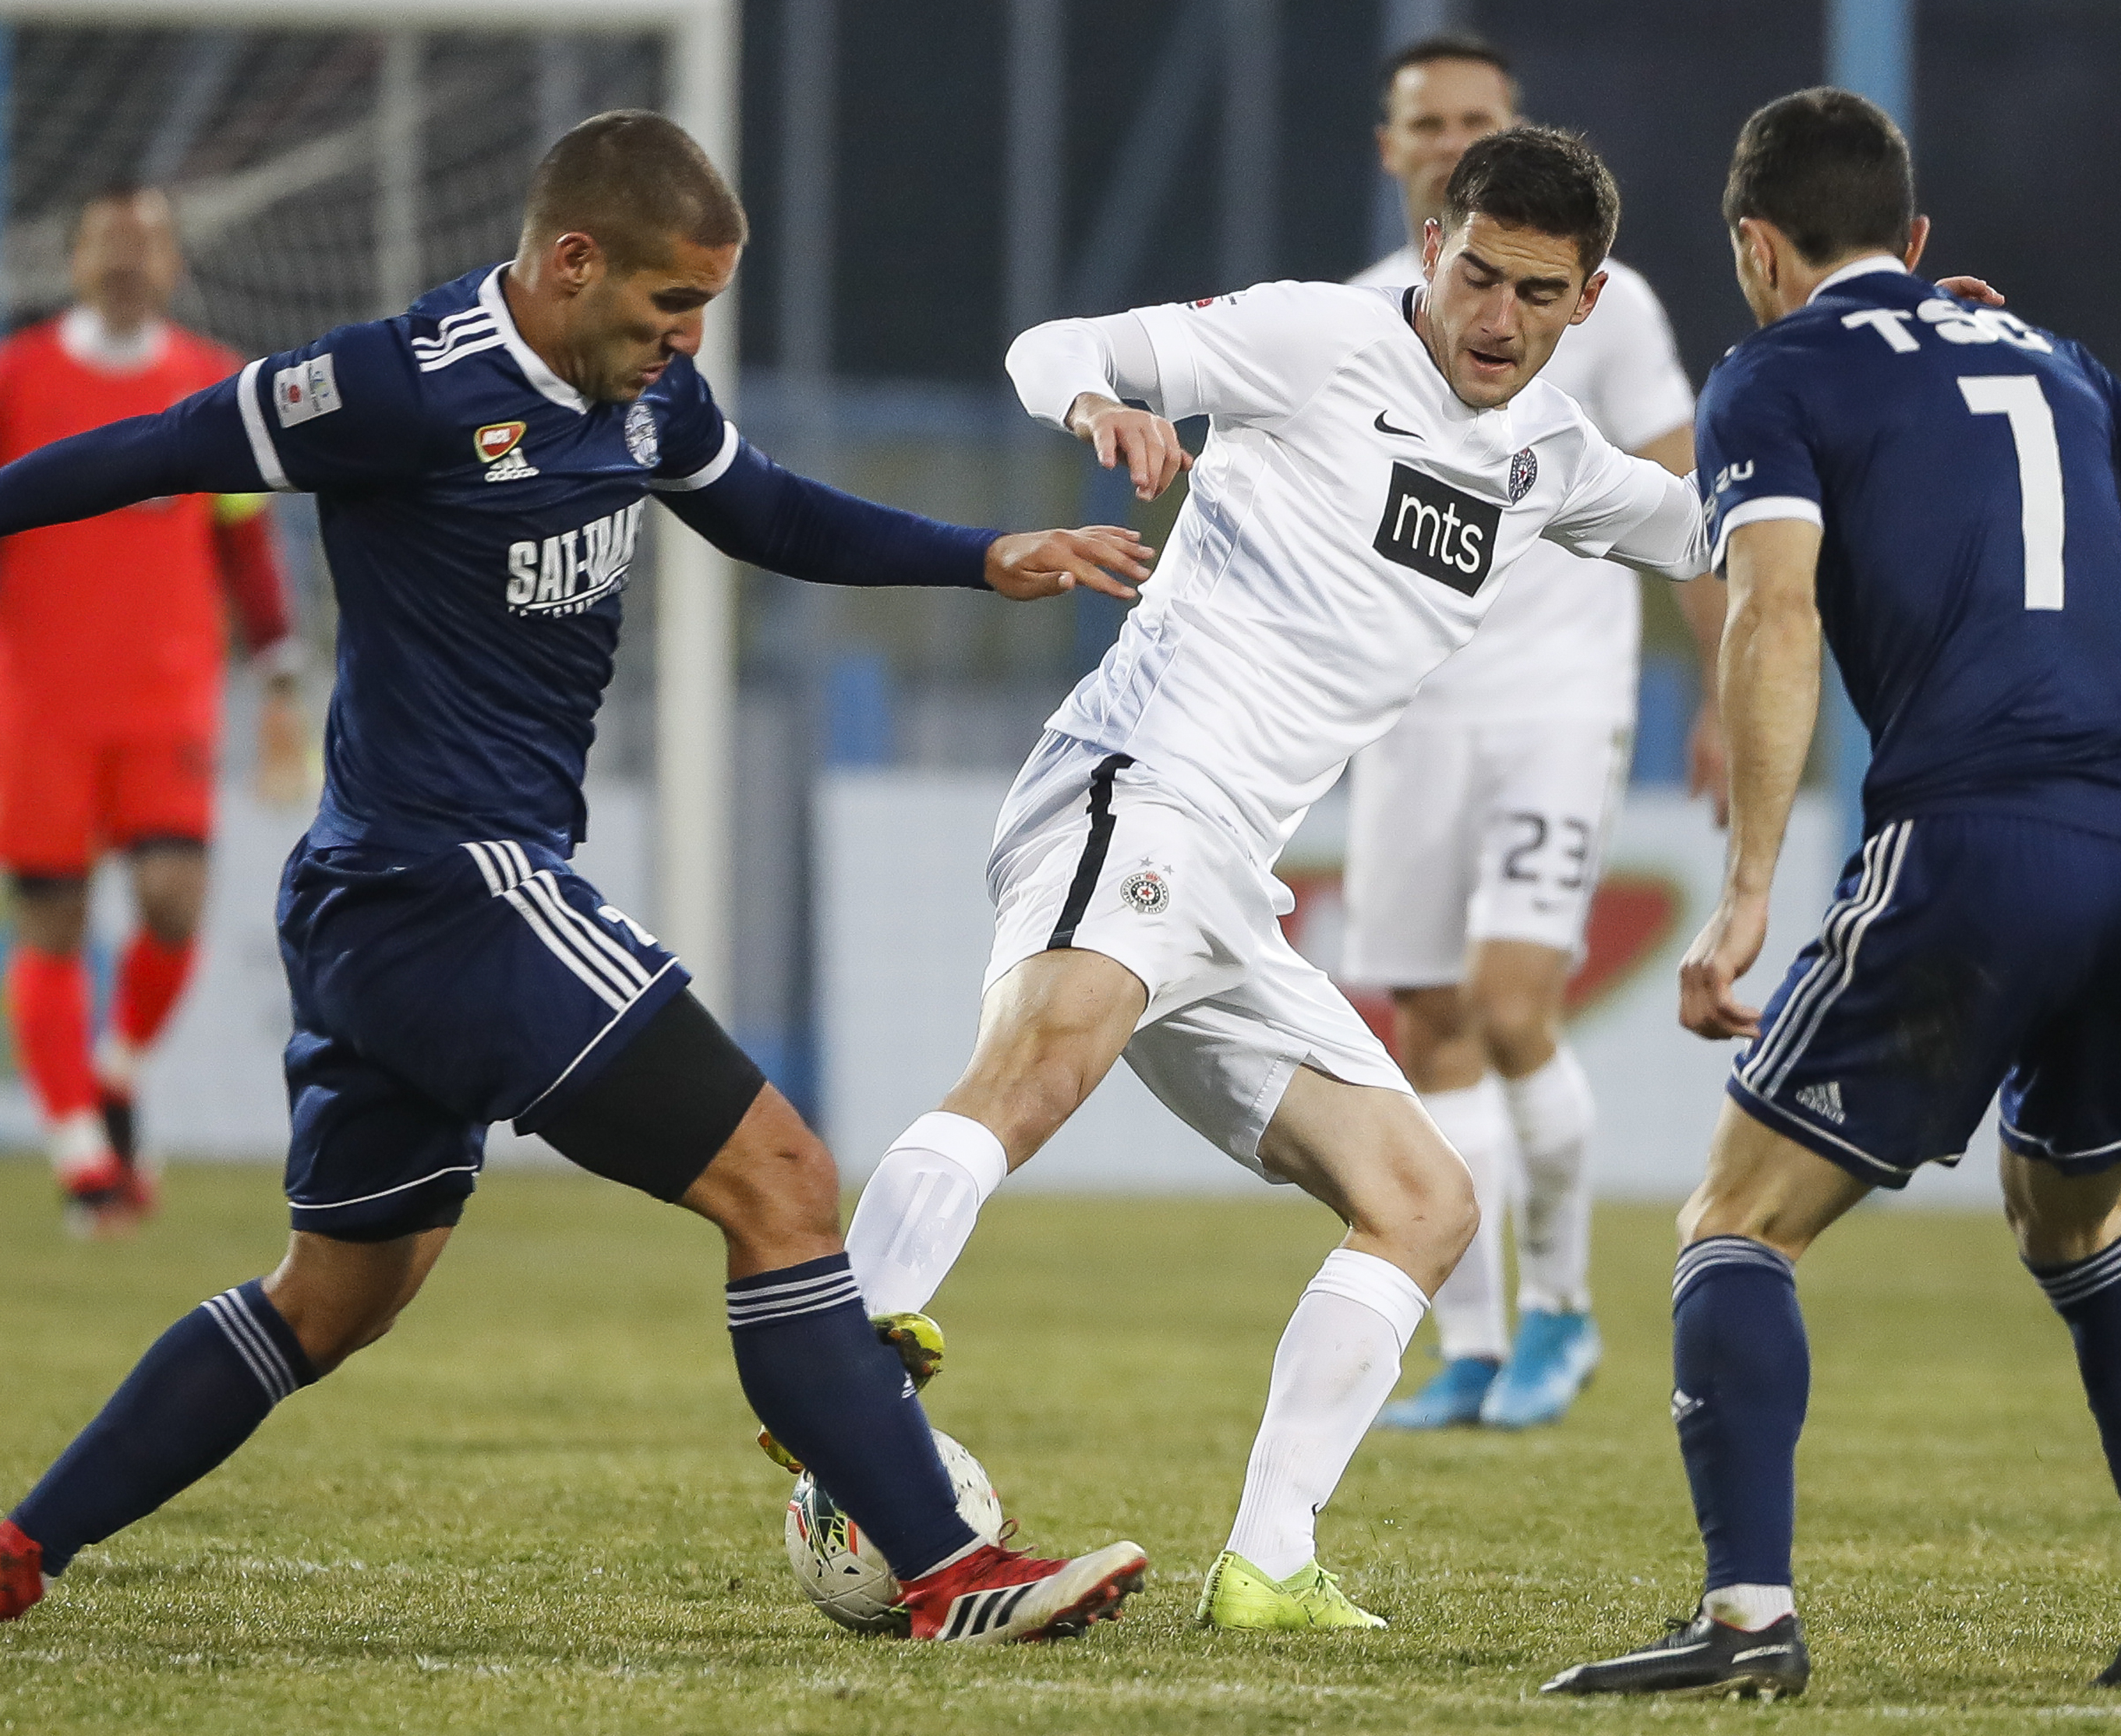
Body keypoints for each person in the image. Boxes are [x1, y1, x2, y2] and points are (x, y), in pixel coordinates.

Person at [0, 111, 1155, 1646]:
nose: (686, 340)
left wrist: (985, 554)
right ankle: (946, 1573)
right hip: (444, 884)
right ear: (573, 261)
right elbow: (162, 445)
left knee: (333, 1297)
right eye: (665, 306)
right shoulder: (391, 385)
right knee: (780, 1178)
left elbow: (762, 505)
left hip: (394, 905)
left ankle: (9, 1553)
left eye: (703, 307)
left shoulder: (643, 394)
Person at [836, 126, 1712, 1632]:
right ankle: (833, 1371)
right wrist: (1106, 402)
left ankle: (1270, 1561)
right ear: (1434, 245)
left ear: (1590, 299)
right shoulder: (1315, 339)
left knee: (1425, 1202)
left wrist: (1884, 420)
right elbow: (1050, 344)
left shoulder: (1551, 458)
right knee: (1041, 1066)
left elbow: (1714, 530)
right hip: (1137, 784)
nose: (1496, 317)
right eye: (1478, 273)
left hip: (1230, 880)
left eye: (1536, 292)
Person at [1544, 89, 2121, 1699]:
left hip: (1977, 832)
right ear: (1920, 242)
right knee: (2076, 1217)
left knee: (1739, 1214)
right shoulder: (2062, 365)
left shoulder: (1776, 371)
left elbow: (1773, 611)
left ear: (1754, 247)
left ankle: (1746, 1622)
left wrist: (1745, 895)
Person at [1351, 33, 1725, 1432]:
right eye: (1428, 121)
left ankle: (1563, 1312)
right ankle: (1477, 1342)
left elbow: (1684, 494)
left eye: (1477, 117)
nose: (1452, 135)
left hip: (1558, 706)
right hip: (1409, 719)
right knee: (1434, 1023)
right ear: (1394, 152)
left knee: (1514, 1004)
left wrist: (1723, 687)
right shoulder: (1351, 316)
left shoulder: (1600, 311)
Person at [0, 186, 308, 1235]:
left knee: (174, 900)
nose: (128, 262)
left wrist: (282, 673)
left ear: (172, 262)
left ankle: (115, 1074)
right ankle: (82, 1155)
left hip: (167, 695)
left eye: (148, 245)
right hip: (38, 702)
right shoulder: (11, 379)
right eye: (108, 243)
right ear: (72, 254)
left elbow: (244, 540)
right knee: (54, 922)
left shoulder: (215, 385)